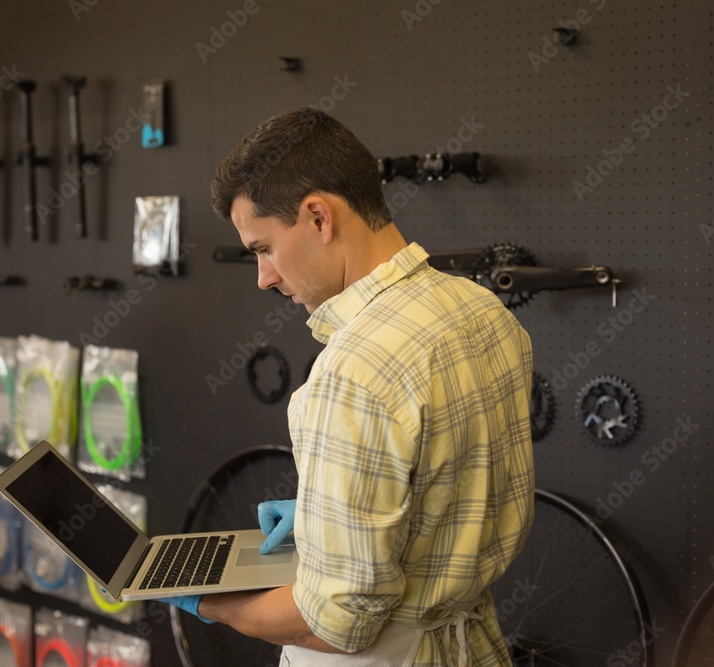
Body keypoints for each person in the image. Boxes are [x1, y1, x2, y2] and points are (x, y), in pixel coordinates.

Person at [164, 108, 535, 667]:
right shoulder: (482, 311)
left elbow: (337, 624)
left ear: (318, 217)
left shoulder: (353, 373)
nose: (264, 277)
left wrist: (209, 600)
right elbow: (453, 492)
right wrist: (327, 515)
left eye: (263, 248)